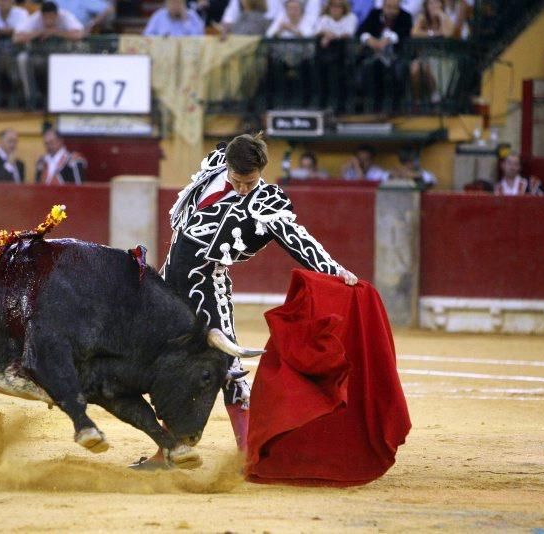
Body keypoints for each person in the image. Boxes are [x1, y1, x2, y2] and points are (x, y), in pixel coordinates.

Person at [132, 133, 358, 469]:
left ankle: (249, 456)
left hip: (207, 289)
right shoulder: (213, 166)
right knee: (172, 367)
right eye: (238, 180)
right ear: (227, 166)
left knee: (230, 369)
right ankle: (169, 451)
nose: (242, 189)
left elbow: (298, 239)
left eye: (249, 182)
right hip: (169, 287)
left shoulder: (266, 199)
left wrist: (334, 270)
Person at [14, 1, 84, 107]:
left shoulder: (65, 16)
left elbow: (79, 34)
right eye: (46, 17)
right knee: (22, 58)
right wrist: (39, 32)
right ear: (41, 15)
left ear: (57, 15)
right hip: (40, 56)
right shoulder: (35, 18)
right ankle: (31, 98)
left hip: (63, 56)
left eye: (51, 17)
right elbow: (16, 38)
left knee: (78, 55)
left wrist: (55, 32)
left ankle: (68, 98)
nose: (49, 20)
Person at [355, 0, 412, 113]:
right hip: (374, 57)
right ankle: (370, 109)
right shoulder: (374, 14)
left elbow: (405, 32)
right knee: (368, 70)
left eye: (394, 8)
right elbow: (361, 31)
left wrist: (388, 39)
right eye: (388, 7)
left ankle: (395, 109)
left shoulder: (405, 16)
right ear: (383, 6)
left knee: (398, 73)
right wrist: (369, 39)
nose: (391, 11)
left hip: (396, 57)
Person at [313, 0, 357, 110]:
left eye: (338, 7)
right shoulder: (324, 18)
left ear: (344, 8)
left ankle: (340, 107)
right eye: (333, 7)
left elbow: (348, 33)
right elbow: (317, 32)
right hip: (324, 56)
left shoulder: (351, 17)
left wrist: (332, 36)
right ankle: (322, 106)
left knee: (340, 79)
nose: (335, 10)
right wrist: (326, 34)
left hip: (343, 56)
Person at [409, 0, 453, 106]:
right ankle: (417, 101)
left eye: (437, 3)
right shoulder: (422, 18)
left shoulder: (445, 18)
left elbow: (447, 33)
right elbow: (414, 33)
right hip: (425, 56)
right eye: (431, 3)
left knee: (426, 66)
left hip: (443, 58)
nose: (434, 6)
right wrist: (434, 33)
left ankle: (435, 96)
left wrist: (441, 16)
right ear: (426, 6)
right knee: (415, 67)